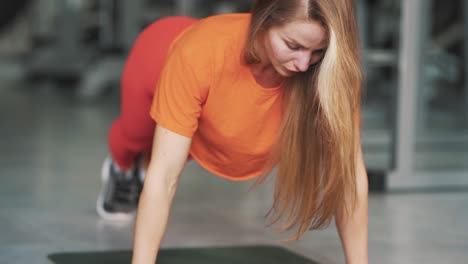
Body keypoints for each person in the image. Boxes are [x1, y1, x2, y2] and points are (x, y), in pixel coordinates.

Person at [97, 0, 369, 263]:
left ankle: (145, 162)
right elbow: (165, 176)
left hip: (211, 97)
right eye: (293, 45)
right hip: (160, 54)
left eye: (317, 51)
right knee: (136, 137)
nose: (302, 63)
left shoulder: (331, 74)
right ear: (264, 20)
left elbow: (349, 178)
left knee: (197, 140)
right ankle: (121, 169)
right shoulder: (200, 53)